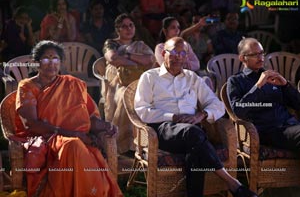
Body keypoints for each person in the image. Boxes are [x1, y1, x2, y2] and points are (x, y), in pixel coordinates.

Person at [135, 36, 257, 197]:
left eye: (183, 53)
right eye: (174, 52)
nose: (179, 57)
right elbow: (142, 109)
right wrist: (173, 117)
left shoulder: (192, 78)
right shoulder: (150, 77)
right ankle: (232, 183)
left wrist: (202, 115)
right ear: (164, 53)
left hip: (192, 132)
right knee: (194, 135)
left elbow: (217, 104)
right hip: (163, 130)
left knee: (195, 148)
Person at [15, 40, 123, 197]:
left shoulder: (73, 84)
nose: (51, 63)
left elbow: (88, 118)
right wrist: (71, 134)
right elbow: (31, 124)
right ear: (37, 62)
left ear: (60, 62)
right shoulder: (27, 86)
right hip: (47, 137)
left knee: (75, 146)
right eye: (46, 58)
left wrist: (105, 125)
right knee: (72, 145)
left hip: (79, 138)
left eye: (55, 58)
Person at [227, 38, 300, 152]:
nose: (260, 58)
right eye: (255, 54)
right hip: (268, 131)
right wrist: (258, 86)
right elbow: (238, 111)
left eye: (261, 53)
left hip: (290, 125)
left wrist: (285, 85)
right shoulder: (236, 81)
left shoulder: (272, 76)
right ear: (242, 58)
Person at [103, 13, 155, 153]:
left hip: (139, 79)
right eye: (124, 26)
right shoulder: (111, 43)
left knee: (149, 94)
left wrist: (127, 57)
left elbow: (150, 60)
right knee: (126, 95)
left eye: (131, 25)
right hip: (117, 82)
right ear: (117, 29)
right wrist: (136, 63)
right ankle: (124, 143)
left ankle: (144, 141)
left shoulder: (139, 45)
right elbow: (113, 58)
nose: (128, 29)